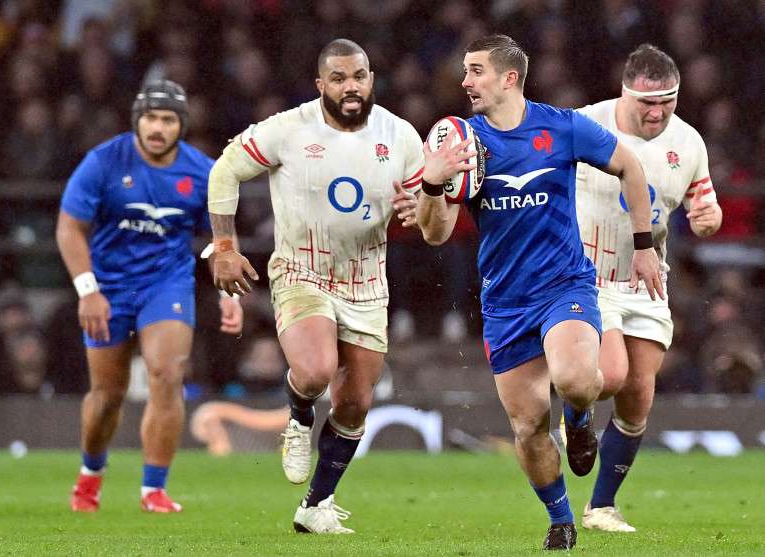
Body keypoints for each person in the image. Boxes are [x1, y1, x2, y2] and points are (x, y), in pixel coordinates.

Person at [416, 35, 662, 550]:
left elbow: (630, 167)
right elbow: (435, 234)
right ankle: (561, 520)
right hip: (505, 302)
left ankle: (579, 418)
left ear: (509, 78)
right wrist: (433, 183)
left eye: (476, 71)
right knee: (528, 425)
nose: (465, 81)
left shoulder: (563, 127)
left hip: (564, 284)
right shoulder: (463, 142)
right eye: (465, 71)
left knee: (576, 380)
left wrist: (644, 247)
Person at [206, 38, 424, 534]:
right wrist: (224, 246)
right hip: (302, 271)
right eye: (340, 78)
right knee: (315, 370)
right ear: (321, 84)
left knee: (355, 404)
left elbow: (433, 218)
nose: (351, 87)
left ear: (371, 79)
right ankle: (300, 416)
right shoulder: (288, 129)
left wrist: (423, 208)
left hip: (367, 282)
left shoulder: (400, 135)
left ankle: (316, 504)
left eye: (360, 76)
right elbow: (225, 171)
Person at [56, 80, 243, 513]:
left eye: (168, 120)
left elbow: (221, 238)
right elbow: (69, 228)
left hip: (166, 285)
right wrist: (87, 290)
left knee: (167, 374)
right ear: (137, 120)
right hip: (108, 287)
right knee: (107, 396)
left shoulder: (203, 172)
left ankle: (153, 489)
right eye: (151, 118)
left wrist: (228, 293)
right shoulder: (104, 161)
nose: (158, 128)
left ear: (182, 126)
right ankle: (90, 474)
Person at [574, 44, 722, 532]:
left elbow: (704, 207)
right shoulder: (584, 125)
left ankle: (601, 507)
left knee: (638, 395)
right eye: (647, 103)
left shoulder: (689, 142)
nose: (658, 113)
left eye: (667, 102)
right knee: (611, 375)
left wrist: (708, 218)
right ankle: (575, 413)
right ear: (624, 93)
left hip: (646, 280)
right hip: (585, 275)